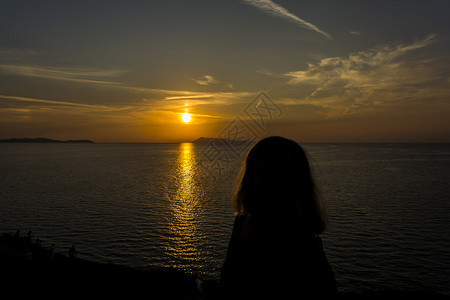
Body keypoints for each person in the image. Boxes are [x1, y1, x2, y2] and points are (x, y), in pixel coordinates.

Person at [220, 136, 337, 299]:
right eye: (254, 172)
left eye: (272, 174)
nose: (259, 181)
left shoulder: (300, 238)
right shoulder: (242, 223)